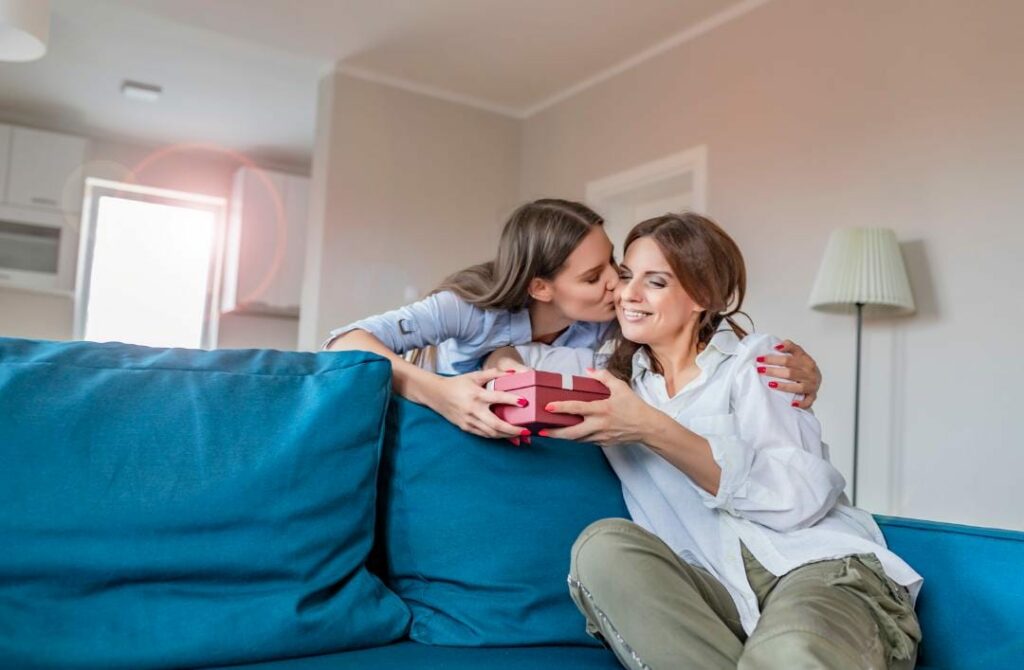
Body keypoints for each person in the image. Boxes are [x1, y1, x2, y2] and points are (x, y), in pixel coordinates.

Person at [493, 212, 922, 669]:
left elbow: (800, 499)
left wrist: (651, 428)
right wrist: (501, 361)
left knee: (786, 655)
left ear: (701, 295)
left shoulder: (758, 361)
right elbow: (495, 348)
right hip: (713, 594)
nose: (628, 295)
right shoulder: (607, 375)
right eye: (625, 276)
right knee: (602, 548)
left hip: (814, 569)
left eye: (655, 282)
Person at [326, 198, 822, 444]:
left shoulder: (615, 325)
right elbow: (344, 341)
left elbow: (694, 337)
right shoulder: (469, 305)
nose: (619, 286)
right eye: (594, 277)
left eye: (616, 264)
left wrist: (794, 371)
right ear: (541, 288)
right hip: (447, 439)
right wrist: (439, 390)